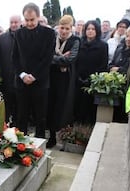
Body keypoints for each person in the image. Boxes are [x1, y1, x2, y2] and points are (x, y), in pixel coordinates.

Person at [12, 3, 55, 138]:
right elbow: (15, 58)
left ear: (38, 17)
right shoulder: (18, 33)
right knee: (21, 116)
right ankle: (20, 146)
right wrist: (23, 75)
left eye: (32, 20)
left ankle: (39, 146)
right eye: (27, 20)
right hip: (22, 82)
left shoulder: (49, 33)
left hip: (40, 82)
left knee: (40, 117)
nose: (29, 23)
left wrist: (34, 75)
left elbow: (47, 58)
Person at [46, 15, 80, 148]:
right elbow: (46, 57)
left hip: (66, 80)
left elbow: (70, 59)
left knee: (63, 108)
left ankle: (65, 137)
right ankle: (52, 136)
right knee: (50, 107)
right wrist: (60, 58)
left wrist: (54, 58)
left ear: (71, 28)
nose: (64, 31)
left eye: (67, 28)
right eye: (62, 28)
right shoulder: (52, 40)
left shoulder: (75, 41)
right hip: (51, 78)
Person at [75, 20, 108, 124]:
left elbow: (103, 64)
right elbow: (75, 62)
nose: (90, 31)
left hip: (94, 81)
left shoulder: (103, 45)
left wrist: (92, 79)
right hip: (79, 80)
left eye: (93, 29)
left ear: (97, 31)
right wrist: (78, 76)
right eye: (88, 29)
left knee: (90, 106)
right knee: (78, 105)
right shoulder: (79, 43)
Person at [0, 15, 22, 125]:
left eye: (16, 22)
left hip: (21, 79)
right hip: (6, 79)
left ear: (20, 22)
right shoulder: (1, 39)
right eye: (11, 22)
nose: (13, 24)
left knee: (20, 108)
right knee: (6, 107)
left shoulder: (25, 37)